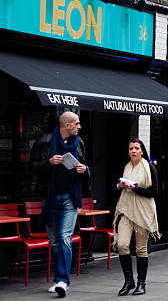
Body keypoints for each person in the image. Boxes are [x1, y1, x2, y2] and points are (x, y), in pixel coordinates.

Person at [30, 111, 89, 298]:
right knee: (55, 242)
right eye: (77, 124)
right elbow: (31, 167)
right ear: (66, 125)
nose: (79, 127)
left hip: (70, 198)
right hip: (50, 198)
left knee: (65, 238)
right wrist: (48, 163)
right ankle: (59, 279)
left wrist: (84, 169)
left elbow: (86, 167)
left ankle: (63, 280)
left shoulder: (79, 143)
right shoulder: (45, 141)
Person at [114, 138, 160, 296]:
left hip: (143, 213)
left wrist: (135, 188)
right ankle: (128, 281)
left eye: (136, 148)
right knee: (122, 245)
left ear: (142, 151)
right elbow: (120, 185)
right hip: (126, 211)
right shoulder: (126, 166)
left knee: (141, 249)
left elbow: (154, 192)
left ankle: (141, 284)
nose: (133, 151)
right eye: (131, 148)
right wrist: (120, 186)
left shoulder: (149, 168)